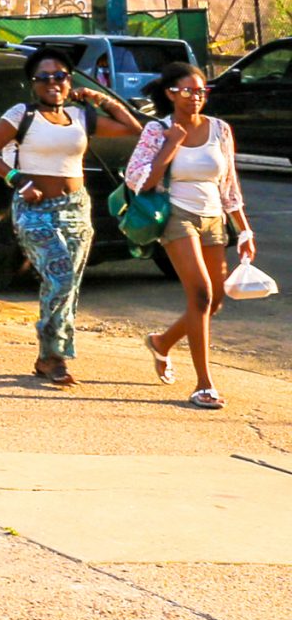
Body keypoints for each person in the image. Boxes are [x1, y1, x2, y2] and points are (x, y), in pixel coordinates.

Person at [0, 50, 142, 387]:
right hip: (35, 209)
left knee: (67, 286)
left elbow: (132, 128)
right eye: (45, 77)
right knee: (61, 277)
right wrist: (19, 180)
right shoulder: (21, 114)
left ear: (69, 81)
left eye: (61, 76)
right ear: (33, 83)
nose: (53, 83)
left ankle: (48, 356)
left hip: (77, 209)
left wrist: (99, 98)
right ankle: (54, 355)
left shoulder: (81, 116)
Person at [125, 62, 257, 410]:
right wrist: (171, 145)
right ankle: (204, 384)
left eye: (202, 91)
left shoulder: (220, 129)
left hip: (214, 217)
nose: (197, 97)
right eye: (188, 91)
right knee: (199, 295)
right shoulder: (158, 130)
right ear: (171, 94)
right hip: (176, 215)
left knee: (214, 302)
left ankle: (162, 342)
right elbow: (138, 179)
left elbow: (228, 185)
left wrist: (243, 229)